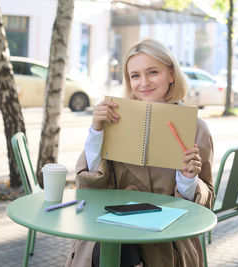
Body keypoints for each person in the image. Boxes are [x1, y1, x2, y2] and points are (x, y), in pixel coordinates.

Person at [65, 38, 214, 267]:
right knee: (112, 249)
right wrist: (96, 132)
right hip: (109, 226)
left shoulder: (195, 127)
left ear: (171, 74)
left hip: (166, 236)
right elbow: (88, 190)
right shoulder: (115, 117)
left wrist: (187, 179)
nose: (143, 82)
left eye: (153, 72)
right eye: (135, 75)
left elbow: (204, 206)